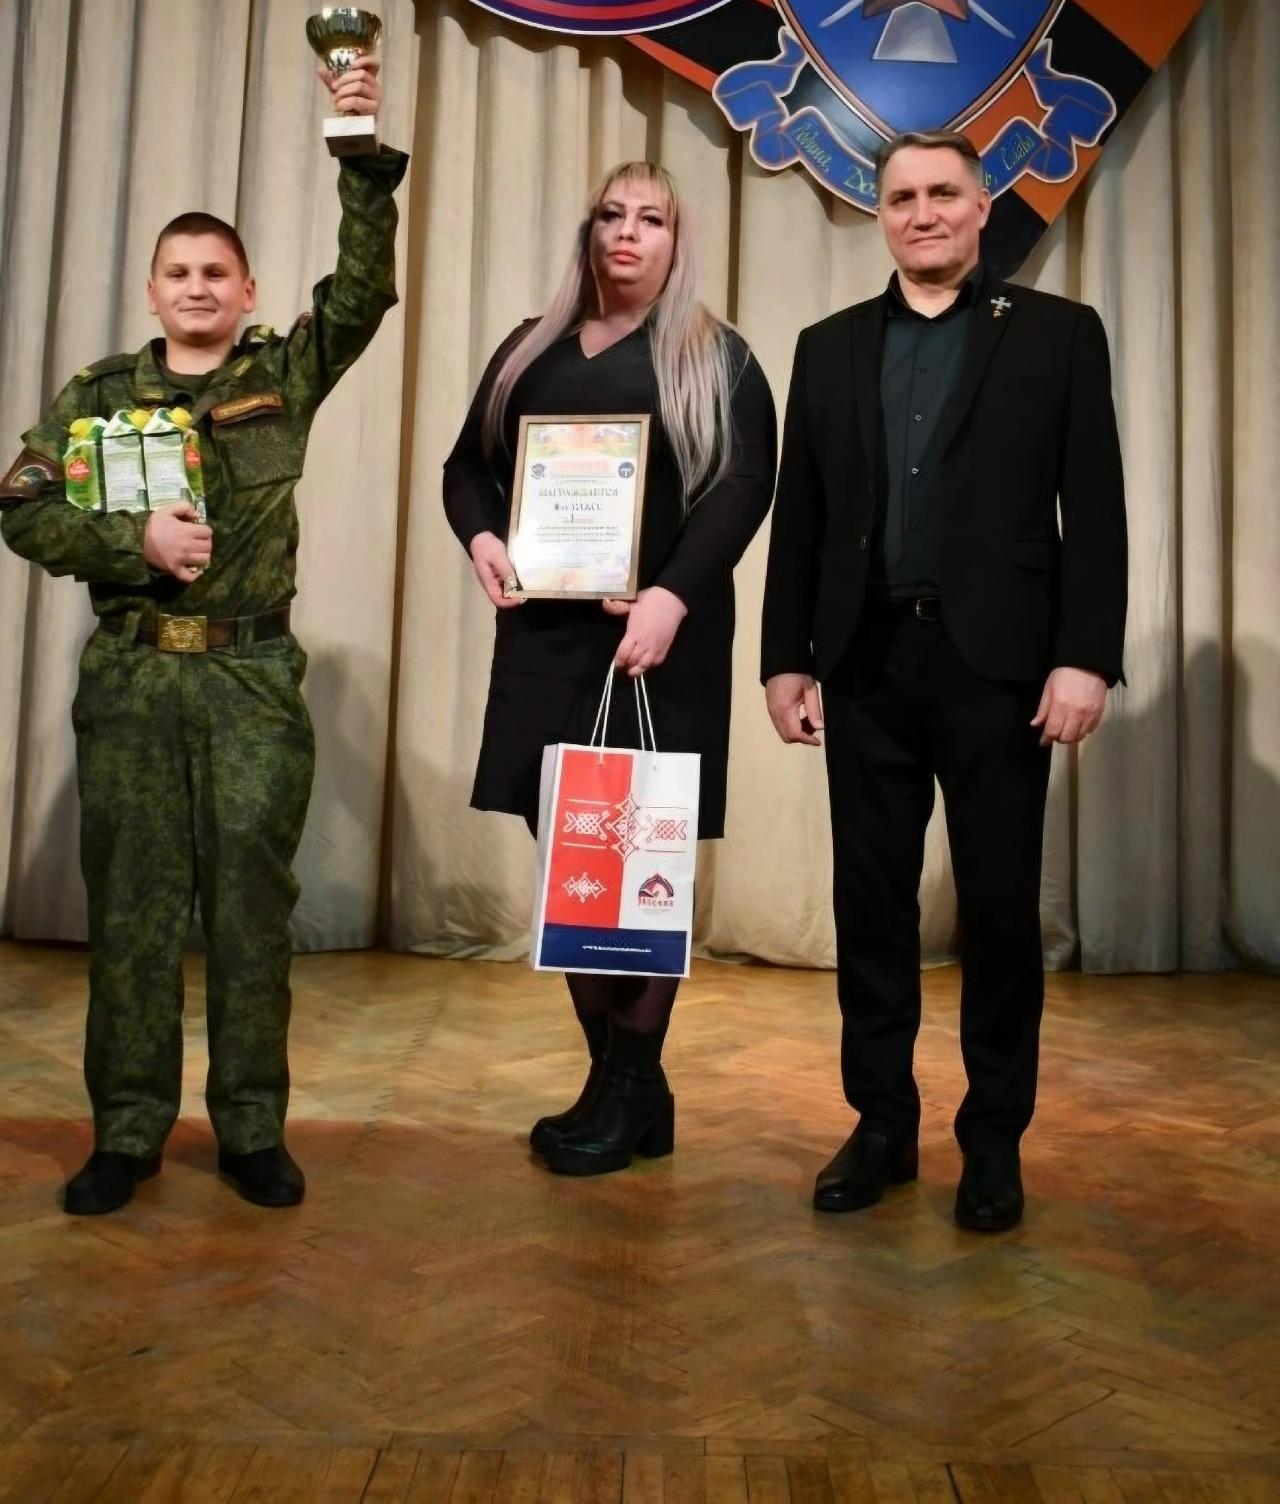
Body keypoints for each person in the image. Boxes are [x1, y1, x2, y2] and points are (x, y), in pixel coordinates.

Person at [0, 61, 406, 1216]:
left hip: (250, 679)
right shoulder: (95, 394)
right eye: (178, 272)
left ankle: (250, 1128)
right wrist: (131, 543)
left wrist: (355, 144)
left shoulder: (281, 374)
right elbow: (20, 505)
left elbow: (362, 294)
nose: (196, 287)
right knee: (131, 912)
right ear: (151, 289)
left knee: (247, 912)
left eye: (215, 272)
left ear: (246, 288)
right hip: (134, 675)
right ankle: (126, 1132)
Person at [761, 129, 1127, 1232]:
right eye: (901, 198)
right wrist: (785, 657)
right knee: (869, 908)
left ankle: (993, 1142)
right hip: (864, 663)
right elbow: (800, 519)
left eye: (941, 194)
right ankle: (880, 1125)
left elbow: (1094, 509)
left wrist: (1083, 655)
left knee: (1000, 913)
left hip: (998, 671)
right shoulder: (826, 347)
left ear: (980, 208)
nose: (921, 213)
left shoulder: (1058, 334)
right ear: (879, 216)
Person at [444, 161, 776, 1176]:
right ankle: (626, 1087)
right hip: (546, 646)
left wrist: (672, 595)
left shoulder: (715, 357)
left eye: (652, 219)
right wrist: (483, 539)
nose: (628, 232)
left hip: (655, 648)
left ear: (678, 241)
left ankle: (626, 1088)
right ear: (588, 231)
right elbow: (467, 469)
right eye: (611, 215)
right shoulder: (528, 350)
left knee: (637, 873)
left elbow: (743, 486)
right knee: (576, 870)